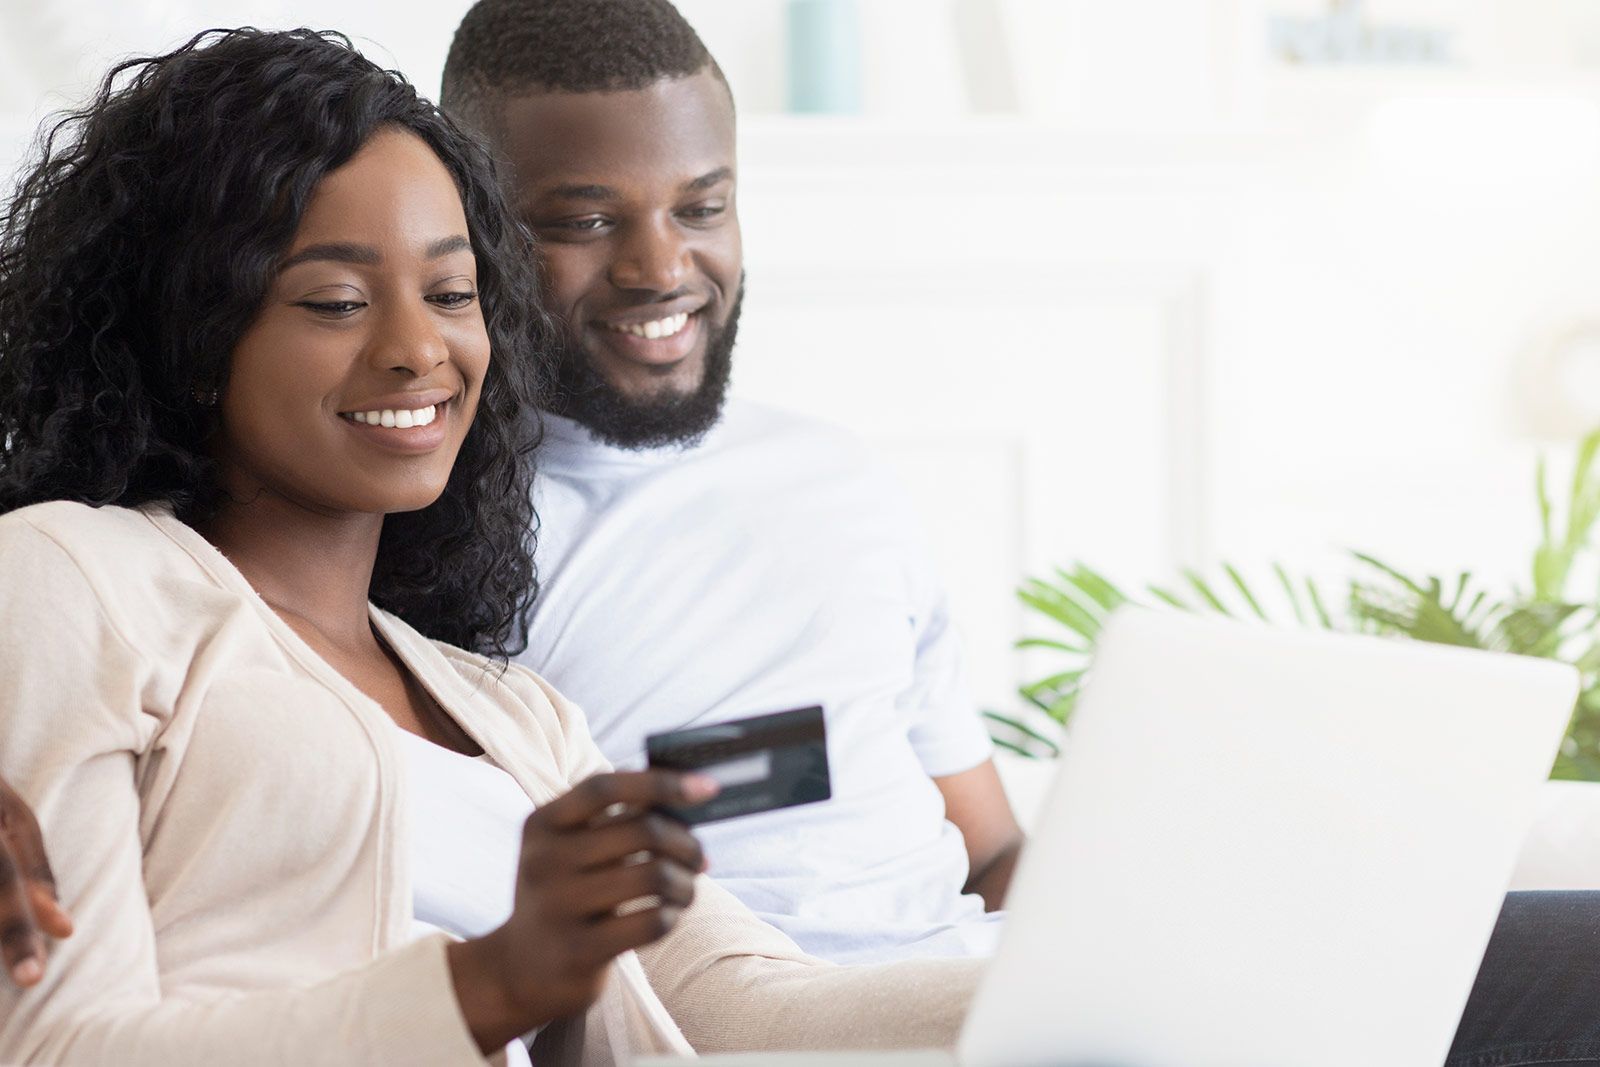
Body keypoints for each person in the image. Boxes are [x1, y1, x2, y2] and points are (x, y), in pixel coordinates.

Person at [0, 27, 980, 1065]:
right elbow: (58, 1044)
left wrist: (1069, 983)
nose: (419, 349)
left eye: (453, 292)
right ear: (195, 340)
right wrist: (493, 980)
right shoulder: (76, 578)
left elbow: (739, 1007)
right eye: (336, 301)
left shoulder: (521, 717)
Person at [441, 0, 1021, 967]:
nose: (662, 268)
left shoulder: (840, 480)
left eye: (702, 208)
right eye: (586, 220)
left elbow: (993, 847)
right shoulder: (441, 536)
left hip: (975, 992)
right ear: (474, 227)